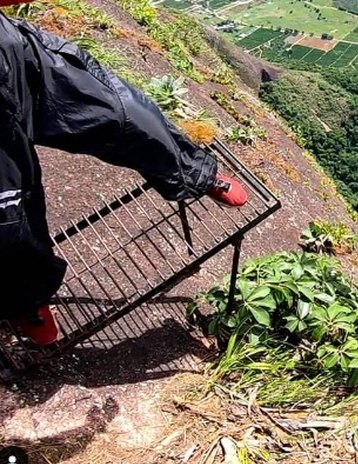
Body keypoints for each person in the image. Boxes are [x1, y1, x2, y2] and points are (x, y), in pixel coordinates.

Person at [0, 4, 248, 345]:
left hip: (9, 52)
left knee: (124, 111)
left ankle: (194, 173)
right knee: (8, 212)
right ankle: (27, 299)